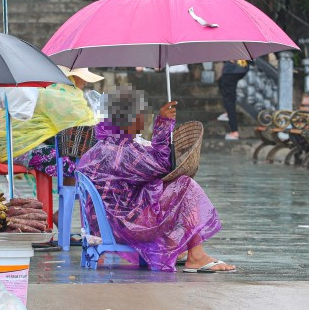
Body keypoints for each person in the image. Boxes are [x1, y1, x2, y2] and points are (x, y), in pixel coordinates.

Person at [77, 87, 235, 273]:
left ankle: (181, 248)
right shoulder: (123, 150)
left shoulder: (101, 145)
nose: (144, 120)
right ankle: (196, 256)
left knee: (166, 189)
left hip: (106, 223)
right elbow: (163, 165)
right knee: (184, 186)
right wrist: (163, 124)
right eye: (140, 114)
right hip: (124, 227)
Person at [0, 67, 102, 177]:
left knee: (84, 149)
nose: (85, 82)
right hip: (16, 149)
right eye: (82, 77)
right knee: (85, 161)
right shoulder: (59, 94)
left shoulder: (48, 87)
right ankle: (72, 195)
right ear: (72, 77)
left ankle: (70, 194)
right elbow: (82, 128)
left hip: (7, 146)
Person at [219, 60, 250, 141]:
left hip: (230, 70)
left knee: (229, 100)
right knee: (229, 94)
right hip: (242, 68)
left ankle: (234, 132)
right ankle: (227, 113)